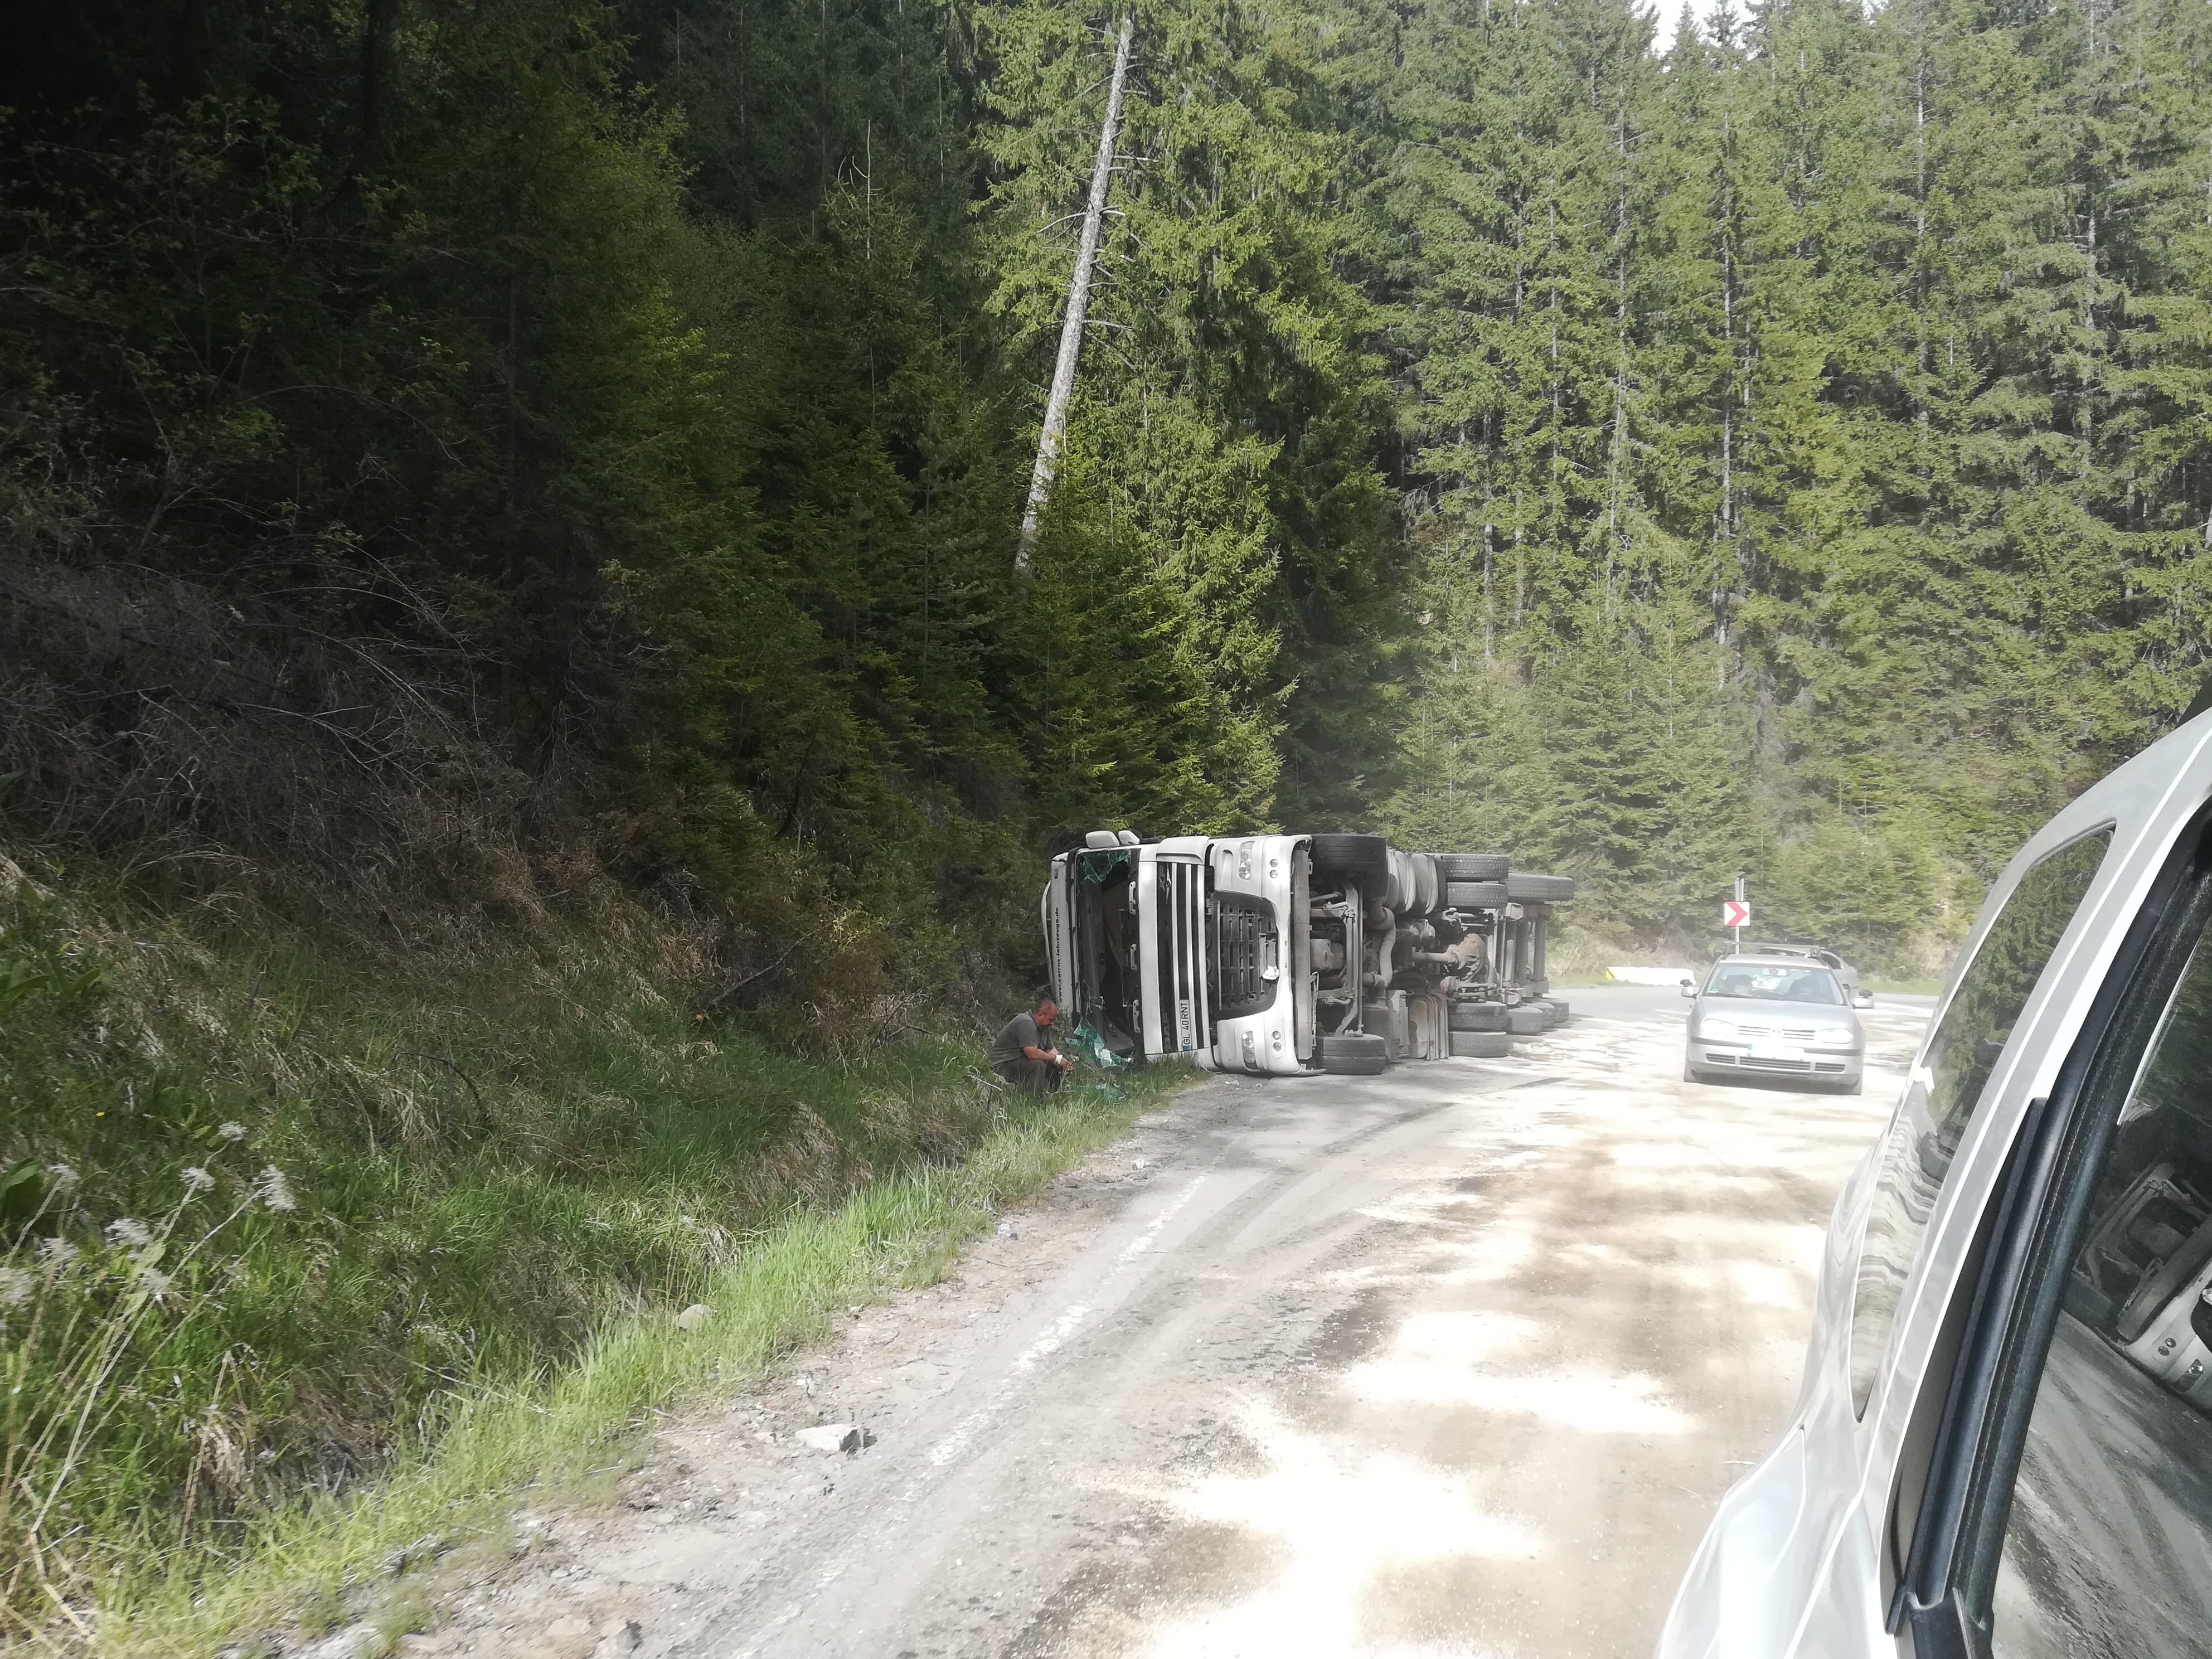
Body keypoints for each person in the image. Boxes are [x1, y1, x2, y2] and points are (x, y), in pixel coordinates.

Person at [991, 995, 1074, 1093]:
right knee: (1038, 1064)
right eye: (1051, 1020)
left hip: (1020, 1061)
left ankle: (1056, 1094)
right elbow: (1032, 1053)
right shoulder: (1026, 1022)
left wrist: (1062, 1062)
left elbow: (1050, 1050)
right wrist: (1056, 1059)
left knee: (1053, 1064)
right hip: (1004, 1065)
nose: (1053, 1024)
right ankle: (1037, 1097)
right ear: (1040, 1015)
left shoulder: (1044, 1027)